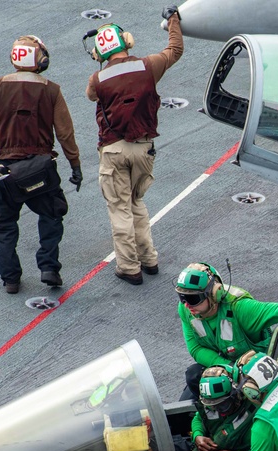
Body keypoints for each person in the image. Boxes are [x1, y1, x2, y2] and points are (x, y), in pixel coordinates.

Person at [0, 35, 82, 294]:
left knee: (4, 224)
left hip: (7, 171)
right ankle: (49, 267)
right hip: (41, 168)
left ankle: (11, 279)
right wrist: (75, 165)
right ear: (40, 60)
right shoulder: (51, 90)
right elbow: (65, 133)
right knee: (52, 214)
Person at [85, 9, 183, 286]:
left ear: (100, 53)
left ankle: (129, 267)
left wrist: (101, 68)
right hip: (144, 149)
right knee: (136, 202)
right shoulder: (148, 66)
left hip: (114, 150)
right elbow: (175, 49)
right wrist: (173, 21)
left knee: (120, 209)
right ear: (127, 42)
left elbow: (91, 95)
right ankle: (149, 259)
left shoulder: (98, 79)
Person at [175, 262, 278, 397]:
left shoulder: (240, 308)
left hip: (259, 375)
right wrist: (230, 369)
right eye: (182, 298)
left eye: (193, 299)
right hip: (229, 369)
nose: (187, 305)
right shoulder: (186, 309)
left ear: (214, 293)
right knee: (194, 376)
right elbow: (196, 348)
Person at [188, 364, 255, 451]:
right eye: (212, 406)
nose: (218, 411)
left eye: (223, 405)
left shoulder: (254, 416)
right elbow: (198, 418)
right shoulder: (212, 407)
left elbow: (265, 449)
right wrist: (197, 436)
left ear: (236, 396)